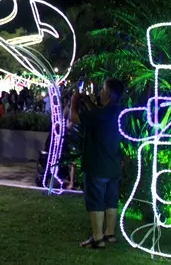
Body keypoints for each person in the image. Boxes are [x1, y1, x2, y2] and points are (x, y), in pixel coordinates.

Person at [71, 78, 124, 249]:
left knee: (95, 200)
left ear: (108, 94)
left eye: (103, 89)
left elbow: (75, 118)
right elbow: (98, 115)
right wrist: (87, 102)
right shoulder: (117, 111)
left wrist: (74, 102)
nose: (100, 92)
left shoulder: (102, 114)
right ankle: (110, 234)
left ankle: (97, 237)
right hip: (113, 164)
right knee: (111, 200)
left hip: (97, 165)